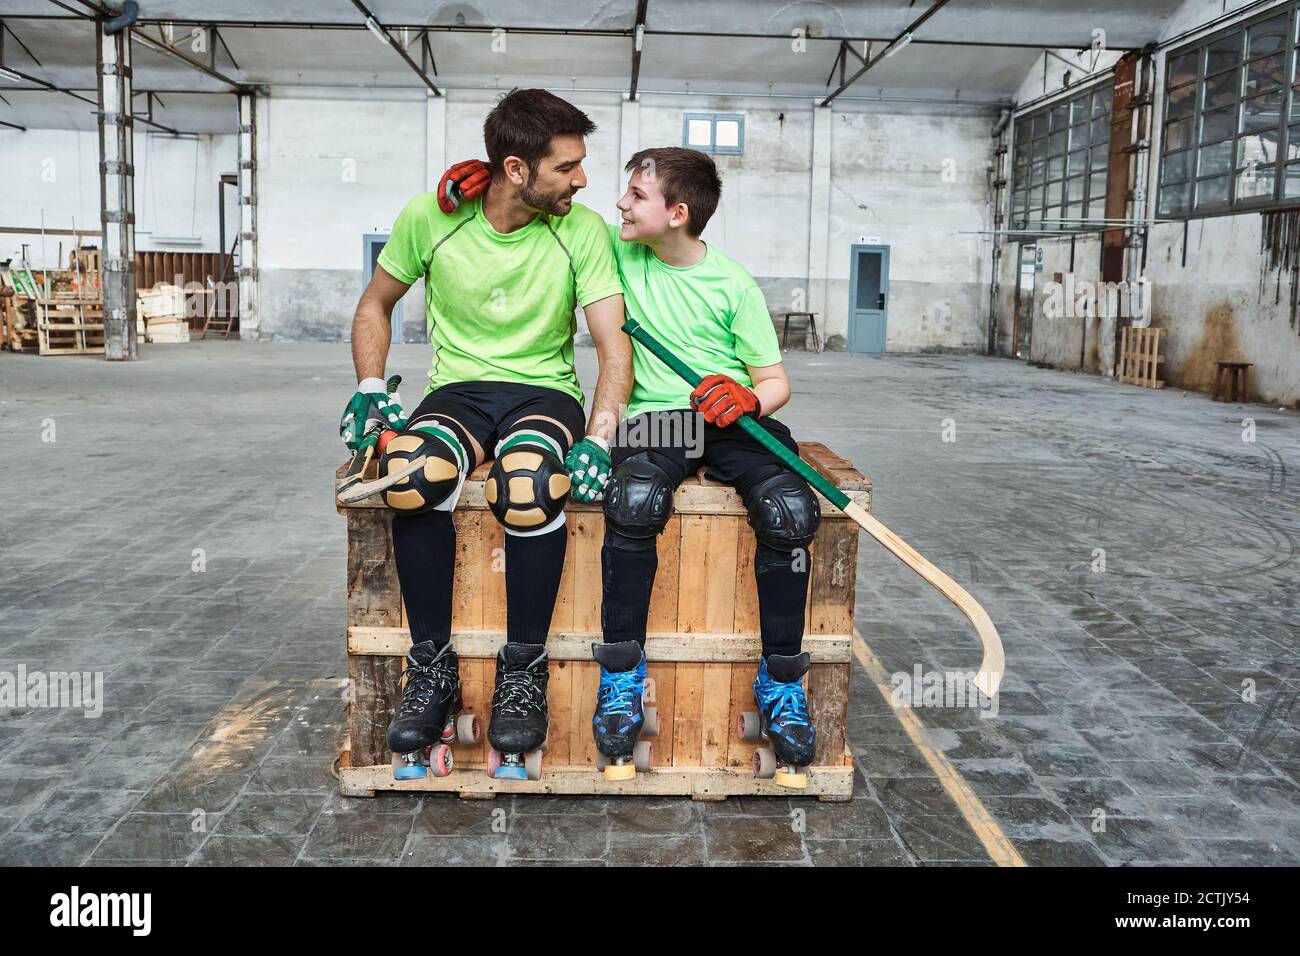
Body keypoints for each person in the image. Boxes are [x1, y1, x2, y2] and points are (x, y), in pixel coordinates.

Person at [341, 89, 631, 780]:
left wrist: (598, 437)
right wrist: (369, 388)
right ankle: (432, 668)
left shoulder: (582, 231)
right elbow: (376, 303)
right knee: (410, 478)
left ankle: (523, 669)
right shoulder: (431, 217)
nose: (583, 180)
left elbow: (613, 349)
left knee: (529, 484)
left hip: (542, 393)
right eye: (567, 167)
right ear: (516, 169)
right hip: (458, 391)